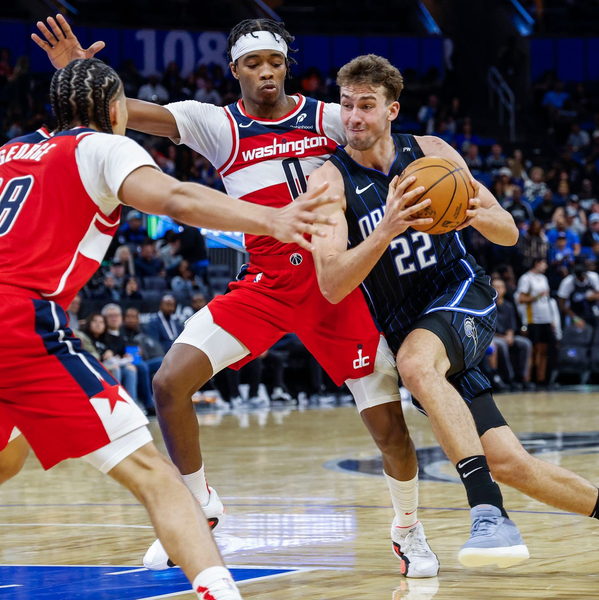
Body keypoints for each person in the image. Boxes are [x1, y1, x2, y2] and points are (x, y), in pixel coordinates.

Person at [33, 15, 438, 577]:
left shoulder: (330, 117)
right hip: (266, 284)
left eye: (275, 62)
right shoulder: (215, 125)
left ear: (286, 66)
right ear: (235, 70)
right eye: (253, 64)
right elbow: (124, 115)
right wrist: (79, 70)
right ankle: (198, 507)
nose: (266, 72)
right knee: (170, 381)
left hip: (335, 286)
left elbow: (391, 149)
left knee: (389, 429)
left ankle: (408, 530)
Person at [0, 57, 337, 600]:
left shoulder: (6, 154)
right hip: (11, 317)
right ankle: (220, 592)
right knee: (156, 475)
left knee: (1, 458)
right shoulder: (106, 146)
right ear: (114, 109)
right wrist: (273, 219)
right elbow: (174, 198)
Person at [309, 53, 599, 583]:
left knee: (417, 364)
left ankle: (488, 512)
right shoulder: (329, 183)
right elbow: (331, 283)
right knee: (512, 463)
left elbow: (507, 231)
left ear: (392, 110)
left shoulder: (432, 154)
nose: (353, 118)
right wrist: (387, 228)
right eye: (346, 105)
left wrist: (476, 212)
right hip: (407, 322)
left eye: (366, 106)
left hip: (461, 292)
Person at [517, 258, 555, 385]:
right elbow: (521, 298)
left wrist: (552, 319)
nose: (546, 265)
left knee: (544, 350)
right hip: (533, 319)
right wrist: (538, 296)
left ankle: (541, 379)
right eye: (544, 263)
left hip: (545, 318)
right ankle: (528, 379)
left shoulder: (543, 278)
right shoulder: (526, 278)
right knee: (532, 350)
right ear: (536, 263)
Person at [490, 278, 532, 391]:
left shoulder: (509, 306)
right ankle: (509, 378)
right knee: (501, 345)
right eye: (494, 286)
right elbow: (488, 329)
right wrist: (504, 338)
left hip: (506, 336)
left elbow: (511, 326)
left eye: (500, 287)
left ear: (504, 289)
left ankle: (522, 378)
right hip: (493, 337)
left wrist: (509, 335)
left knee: (525, 343)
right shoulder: (487, 307)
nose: (497, 289)